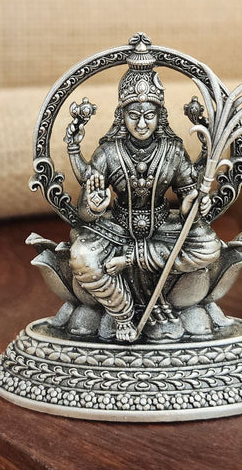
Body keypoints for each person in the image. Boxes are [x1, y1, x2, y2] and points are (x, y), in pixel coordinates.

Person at [65, 34, 221, 342]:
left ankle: (133, 259)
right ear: (121, 116)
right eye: (133, 116)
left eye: (149, 116)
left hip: (162, 228)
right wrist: (93, 206)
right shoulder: (109, 152)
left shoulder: (172, 150)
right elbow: (85, 212)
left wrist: (195, 205)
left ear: (159, 116)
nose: (141, 124)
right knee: (81, 257)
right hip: (116, 228)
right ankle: (122, 313)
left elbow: (189, 193)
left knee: (209, 247)